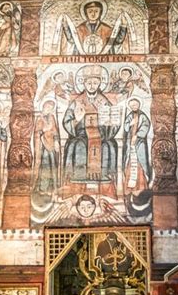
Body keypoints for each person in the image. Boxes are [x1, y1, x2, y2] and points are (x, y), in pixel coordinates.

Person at [62, 65, 120, 198]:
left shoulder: (104, 102)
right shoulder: (77, 102)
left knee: (109, 145)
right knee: (77, 145)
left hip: (102, 135)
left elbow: (113, 122)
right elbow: (66, 121)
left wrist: (111, 122)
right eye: (89, 83)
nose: (92, 85)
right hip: (81, 134)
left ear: (100, 83)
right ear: (84, 83)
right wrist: (76, 119)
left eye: (95, 82)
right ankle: (77, 184)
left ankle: (105, 187)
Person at [58, 1, 128, 55]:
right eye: (90, 11)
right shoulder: (80, 29)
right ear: (86, 13)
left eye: (96, 11)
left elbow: (117, 42)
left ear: (100, 13)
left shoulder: (107, 29)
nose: (93, 14)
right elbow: (72, 40)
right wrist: (65, 26)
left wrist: (123, 26)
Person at [122, 98, 152, 195]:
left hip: (139, 144)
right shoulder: (129, 116)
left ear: (139, 105)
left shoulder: (143, 116)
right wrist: (130, 124)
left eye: (135, 105)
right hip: (130, 144)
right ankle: (129, 189)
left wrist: (138, 135)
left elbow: (146, 126)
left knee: (140, 163)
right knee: (130, 163)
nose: (133, 107)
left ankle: (141, 187)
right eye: (132, 106)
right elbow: (125, 127)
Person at [32, 100, 60, 202]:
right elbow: (36, 133)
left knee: (53, 166)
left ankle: (53, 188)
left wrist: (57, 141)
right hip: (43, 146)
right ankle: (42, 188)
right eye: (47, 107)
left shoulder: (52, 118)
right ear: (43, 107)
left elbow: (55, 131)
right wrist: (43, 131)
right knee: (45, 166)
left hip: (52, 145)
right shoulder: (39, 118)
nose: (49, 110)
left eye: (51, 108)